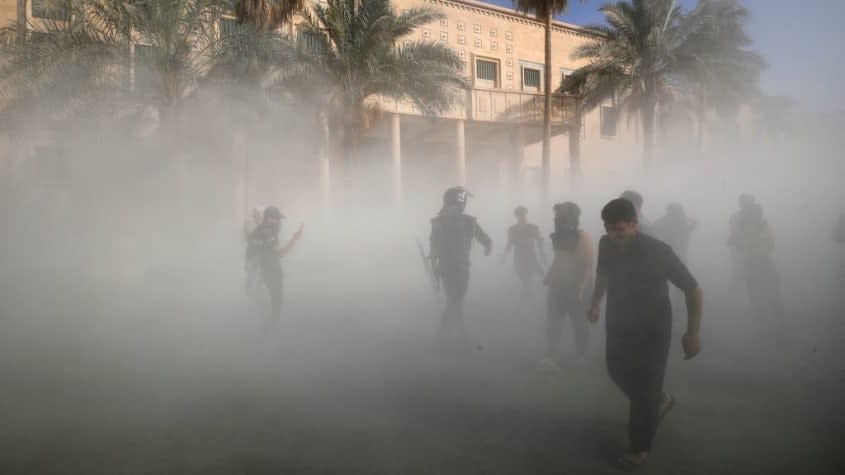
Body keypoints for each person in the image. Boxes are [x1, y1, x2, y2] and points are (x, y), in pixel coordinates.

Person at [587, 198, 703, 471]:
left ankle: (639, 448)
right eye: (609, 229)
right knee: (615, 371)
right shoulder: (606, 244)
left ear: (634, 224)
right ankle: (657, 401)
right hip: (619, 319)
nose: (614, 236)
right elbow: (602, 274)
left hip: (653, 326)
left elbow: (692, 289)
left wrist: (693, 333)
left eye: (619, 230)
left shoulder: (657, 251)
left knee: (644, 390)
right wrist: (594, 304)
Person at [430, 187, 492, 344]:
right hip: (448, 267)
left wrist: (488, 246)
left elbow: (483, 238)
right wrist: (434, 265)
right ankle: (454, 334)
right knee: (454, 300)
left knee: (455, 300)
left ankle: (449, 334)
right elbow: (434, 247)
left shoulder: (467, 221)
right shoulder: (439, 222)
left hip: (461, 267)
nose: (454, 209)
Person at [541, 202, 593, 369]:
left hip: (576, 286)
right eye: (556, 217)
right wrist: (550, 274)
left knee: (579, 322)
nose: (556, 220)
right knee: (553, 322)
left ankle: (581, 356)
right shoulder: (559, 236)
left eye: (560, 217)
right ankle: (551, 356)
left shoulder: (582, 236)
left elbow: (588, 265)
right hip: (558, 285)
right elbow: (559, 258)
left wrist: (581, 287)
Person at [727, 201, 785, 334]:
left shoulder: (758, 226)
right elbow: (770, 245)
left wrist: (744, 244)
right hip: (759, 262)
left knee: (760, 292)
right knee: (767, 292)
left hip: (755, 262)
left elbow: (732, 242)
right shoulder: (760, 225)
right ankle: (775, 322)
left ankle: (768, 323)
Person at [245, 206, 303, 327]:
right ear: (271, 219)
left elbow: (256, 244)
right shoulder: (268, 233)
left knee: (265, 301)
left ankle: (266, 326)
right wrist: (294, 239)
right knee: (276, 301)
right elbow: (280, 253)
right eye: (278, 219)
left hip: (262, 270)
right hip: (270, 270)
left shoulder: (263, 229)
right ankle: (270, 329)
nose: (280, 222)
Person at [503, 206, 546, 303]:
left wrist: (542, 254)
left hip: (531, 256)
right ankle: (528, 297)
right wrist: (505, 255)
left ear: (527, 214)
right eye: (521, 214)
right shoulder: (512, 229)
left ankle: (538, 295)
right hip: (519, 258)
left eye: (525, 214)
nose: (523, 216)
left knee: (540, 274)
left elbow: (540, 240)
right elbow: (509, 243)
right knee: (524, 278)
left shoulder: (533, 227)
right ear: (517, 216)